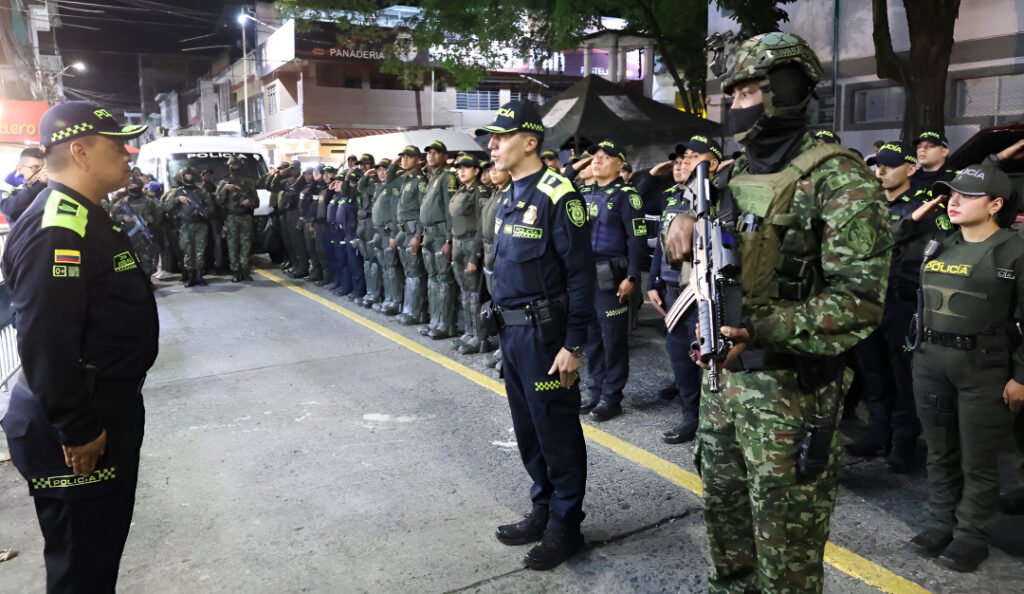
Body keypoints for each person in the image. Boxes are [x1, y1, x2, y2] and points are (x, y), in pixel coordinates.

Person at [665, 32, 890, 593]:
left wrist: (762, 327)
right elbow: (698, 223)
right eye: (732, 90)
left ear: (784, 90)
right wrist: (681, 219)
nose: (734, 102)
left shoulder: (840, 180)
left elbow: (859, 304)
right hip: (723, 385)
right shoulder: (729, 174)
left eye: (747, 88)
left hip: (791, 393)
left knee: (786, 551)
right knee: (726, 526)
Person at [0, 101, 158, 593]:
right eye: (119, 146)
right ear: (81, 152)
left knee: (96, 555)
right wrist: (77, 424)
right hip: (77, 424)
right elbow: (46, 335)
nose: (129, 156)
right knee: (81, 569)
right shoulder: (59, 228)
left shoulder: (84, 216)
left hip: (97, 405)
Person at [481, 99, 596, 570]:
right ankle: (543, 510)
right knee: (529, 430)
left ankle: (566, 527)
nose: (492, 145)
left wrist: (574, 344)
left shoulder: (557, 195)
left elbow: (580, 276)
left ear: (530, 142)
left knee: (556, 432)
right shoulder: (510, 193)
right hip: (512, 335)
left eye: (501, 136)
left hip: (546, 338)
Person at [907, 161, 1024, 573]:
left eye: (967, 195)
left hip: (984, 367)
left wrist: (1021, 376)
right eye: (951, 192)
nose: (953, 200)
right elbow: (887, 248)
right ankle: (942, 523)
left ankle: (972, 535)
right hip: (930, 360)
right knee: (939, 452)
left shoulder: (1016, 249)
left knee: (979, 458)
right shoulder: (940, 243)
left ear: (995, 204)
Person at [847, 142, 953, 472]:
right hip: (868, 301)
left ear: (910, 169)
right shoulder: (866, 205)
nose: (880, 171)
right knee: (873, 375)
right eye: (878, 165)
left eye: (889, 166)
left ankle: (903, 442)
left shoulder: (928, 208)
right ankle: (878, 432)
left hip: (903, 304)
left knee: (904, 377)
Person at [649, 136, 721, 444]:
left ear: (714, 164)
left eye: (695, 156)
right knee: (679, 356)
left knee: (707, 358)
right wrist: (653, 281)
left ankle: (712, 420)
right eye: (686, 155)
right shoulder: (676, 197)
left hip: (704, 292)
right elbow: (660, 244)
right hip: (672, 290)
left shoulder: (723, 196)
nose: (687, 160)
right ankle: (690, 416)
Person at [579, 139, 647, 422]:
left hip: (613, 276)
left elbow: (637, 240)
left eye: (606, 157)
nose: (597, 160)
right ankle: (594, 390)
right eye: (595, 156)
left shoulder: (627, 196)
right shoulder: (584, 193)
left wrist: (632, 276)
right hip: (586, 275)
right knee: (592, 337)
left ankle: (611, 397)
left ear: (620, 164)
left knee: (613, 340)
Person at [419, 140, 460, 339]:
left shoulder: (448, 176)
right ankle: (435, 321)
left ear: (445, 156)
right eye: (429, 152)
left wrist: (449, 239)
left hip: (442, 233)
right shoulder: (432, 176)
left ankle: (446, 324)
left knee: (444, 279)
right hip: (430, 233)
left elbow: (449, 209)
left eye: (436, 152)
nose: (431, 155)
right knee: (434, 279)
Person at [448, 154, 487, 354]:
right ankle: (469, 332)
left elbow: (483, 225)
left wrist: (475, 255)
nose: (461, 171)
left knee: (474, 294)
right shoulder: (462, 190)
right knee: (465, 292)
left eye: (466, 167)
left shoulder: (480, 192)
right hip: (458, 244)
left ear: (476, 170)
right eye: (459, 168)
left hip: (471, 244)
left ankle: (479, 337)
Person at [161, 167, 215, 288]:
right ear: (182, 176)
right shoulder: (177, 192)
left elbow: (211, 207)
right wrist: (178, 200)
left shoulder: (201, 191)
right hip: (185, 225)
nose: (188, 177)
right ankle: (190, 276)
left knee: (200, 252)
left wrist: (203, 212)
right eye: (186, 175)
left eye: (190, 175)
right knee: (188, 252)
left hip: (200, 225)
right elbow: (166, 207)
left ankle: (199, 276)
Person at [394, 146, 429, 326]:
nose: (404, 160)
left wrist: (418, 235)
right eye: (403, 157)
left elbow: (424, 209)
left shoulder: (419, 181)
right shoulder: (405, 179)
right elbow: (389, 179)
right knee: (409, 272)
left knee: (415, 273)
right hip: (405, 231)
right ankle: (409, 309)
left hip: (414, 230)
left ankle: (416, 312)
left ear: (418, 160)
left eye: (409, 157)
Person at [216, 157, 260, 282]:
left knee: (246, 245)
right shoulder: (224, 182)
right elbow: (218, 201)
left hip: (245, 216)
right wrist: (225, 189)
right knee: (232, 246)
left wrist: (250, 202)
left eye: (236, 165)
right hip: (231, 217)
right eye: (232, 165)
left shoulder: (248, 182)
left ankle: (245, 271)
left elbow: (256, 201)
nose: (234, 167)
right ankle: (235, 271)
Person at [110, 175, 161, 277]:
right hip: (129, 237)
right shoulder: (123, 202)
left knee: (147, 261)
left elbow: (158, 215)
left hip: (145, 237)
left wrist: (150, 223)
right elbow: (112, 216)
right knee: (131, 262)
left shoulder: (148, 201)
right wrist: (123, 218)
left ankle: (147, 281)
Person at [370, 159, 403, 313]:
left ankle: (395, 301)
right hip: (380, 232)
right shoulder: (381, 187)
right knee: (385, 267)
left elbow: (395, 210)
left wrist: (394, 233)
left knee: (392, 268)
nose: (382, 173)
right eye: (379, 170)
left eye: (385, 169)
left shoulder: (394, 185)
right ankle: (388, 298)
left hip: (389, 232)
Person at [1, 147, 47, 225]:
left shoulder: (48, 185)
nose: (41, 172)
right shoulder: (6, 187)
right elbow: (9, 209)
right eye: (35, 167)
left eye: (44, 168)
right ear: (19, 169)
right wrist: (40, 183)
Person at [910, 130, 957, 199]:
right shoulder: (909, 177)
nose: (921, 150)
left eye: (930, 146)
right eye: (919, 147)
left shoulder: (956, 178)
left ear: (944, 152)